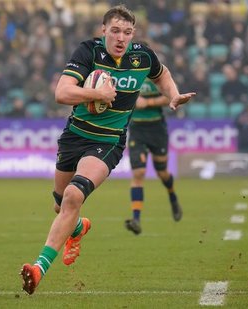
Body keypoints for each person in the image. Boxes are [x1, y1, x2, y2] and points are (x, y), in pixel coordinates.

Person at [20, 4, 195, 295]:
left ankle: (38, 269)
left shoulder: (142, 56)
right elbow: (62, 92)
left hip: (108, 141)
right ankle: (78, 228)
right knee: (60, 204)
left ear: (133, 34)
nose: (121, 37)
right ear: (103, 31)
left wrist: (173, 95)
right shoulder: (88, 52)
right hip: (74, 137)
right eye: (115, 31)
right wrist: (97, 93)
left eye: (127, 32)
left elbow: (161, 74)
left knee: (74, 196)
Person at [124, 77, 182, 235]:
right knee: (139, 173)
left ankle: (172, 195)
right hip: (137, 130)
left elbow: (170, 97)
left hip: (157, 129)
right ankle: (136, 219)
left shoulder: (157, 75)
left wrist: (148, 103)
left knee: (162, 173)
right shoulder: (128, 76)